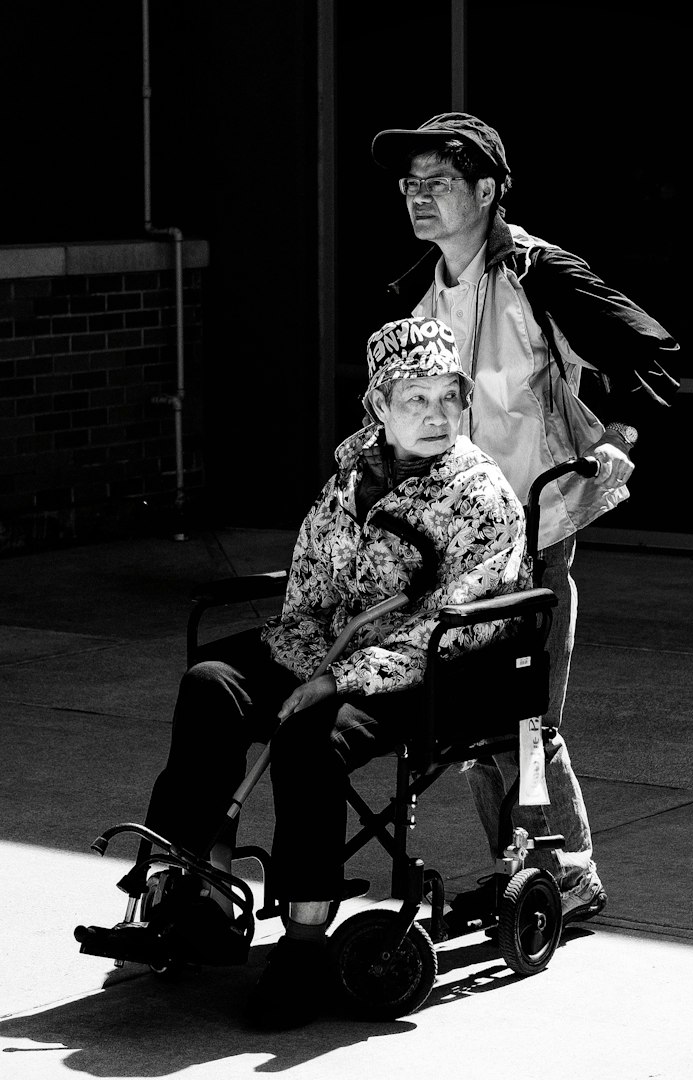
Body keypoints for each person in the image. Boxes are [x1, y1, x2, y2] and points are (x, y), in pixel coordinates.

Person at [78, 316, 531, 1029]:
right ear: (378, 404)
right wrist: (301, 660)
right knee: (211, 683)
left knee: (308, 736)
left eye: (450, 396)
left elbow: (464, 621)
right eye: (417, 399)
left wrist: (339, 679)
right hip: (336, 648)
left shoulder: (479, 493)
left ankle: (304, 947)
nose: (438, 414)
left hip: (429, 674)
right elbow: (310, 596)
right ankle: (194, 893)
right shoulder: (349, 479)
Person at [369, 113, 680, 924]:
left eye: (439, 182)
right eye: (410, 184)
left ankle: (564, 868)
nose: (420, 197)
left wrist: (616, 438)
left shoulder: (539, 273)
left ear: (487, 191)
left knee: (523, 716)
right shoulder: (417, 294)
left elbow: (645, 356)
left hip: (537, 523)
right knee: (471, 720)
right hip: (456, 537)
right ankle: (523, 869)